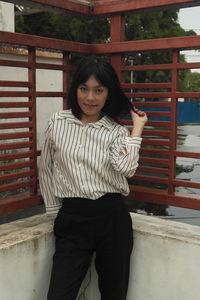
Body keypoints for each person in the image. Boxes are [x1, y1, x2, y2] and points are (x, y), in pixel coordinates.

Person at [39, 55, 148, 300]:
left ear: (108, 93)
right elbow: (46, 166)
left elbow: (127, 168)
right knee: (59, 293)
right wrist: (56, 212)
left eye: (98, 90)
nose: (90, 98)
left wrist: (137, 128)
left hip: (111, 218)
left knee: (113, 293)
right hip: (72, 218)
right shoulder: (58, 121)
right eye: (84, 89)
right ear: (75, 89)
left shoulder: (116, 131)